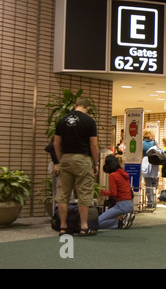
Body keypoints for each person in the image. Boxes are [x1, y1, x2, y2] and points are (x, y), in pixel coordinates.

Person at [53, 97, 99, 236]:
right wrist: (95, 163)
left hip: (66, 158)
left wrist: (61, 160)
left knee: (63, 194)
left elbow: (56, 144)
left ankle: (63, 227)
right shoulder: (89, 121)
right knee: (84, 193)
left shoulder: (62, 120)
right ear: (87, 108)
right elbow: (93, 145)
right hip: (83, 159)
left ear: (75, 106)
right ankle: (84, 227)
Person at [98, 155, 135, 229]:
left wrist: (103, 192)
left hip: (121, 205)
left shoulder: (112, 175)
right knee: (105, 220)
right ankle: (122, 221)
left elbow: (113, 193)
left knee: (97, 223)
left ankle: (121, 222)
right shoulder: (123, 174)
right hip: (130, 204)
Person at [142, 129, 158, 207]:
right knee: (154, 184)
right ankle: (155, 201)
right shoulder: (155, 143)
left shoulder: (142, 144)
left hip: (145, 163)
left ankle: (150, 202)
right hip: (154, 164)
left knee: (148, 184)